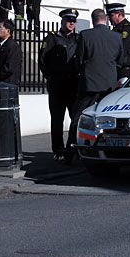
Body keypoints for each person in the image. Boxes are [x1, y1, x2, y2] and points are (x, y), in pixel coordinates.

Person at [65, 8, 123, 163]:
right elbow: (120, 61)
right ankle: (111, 149)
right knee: (110, 119)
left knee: (79, 117)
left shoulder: (86, 35)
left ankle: (70, 154)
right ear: (105, 20)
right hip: (109, 85)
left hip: (89, 83)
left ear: (93, 20)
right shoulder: (117, 37)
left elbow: (79, 60)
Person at [39, 8, 79, 160]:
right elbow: (42, 60)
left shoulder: (77, 39)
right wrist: (50, 77)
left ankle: (73, 149)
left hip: (73, 84)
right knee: (57, 119)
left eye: (73, 21)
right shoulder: (52, 38)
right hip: (57, 85)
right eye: (69, 20)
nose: (71, 23)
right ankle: (58, 150)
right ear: (62, 21)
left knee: (75, 118)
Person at [106, 2, 130, 79]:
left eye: (111, 15)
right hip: (116, 68)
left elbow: (123, 50)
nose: (109, 18)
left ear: (119, 14)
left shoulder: (127, 30)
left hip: (125, 70)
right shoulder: (117, 28)